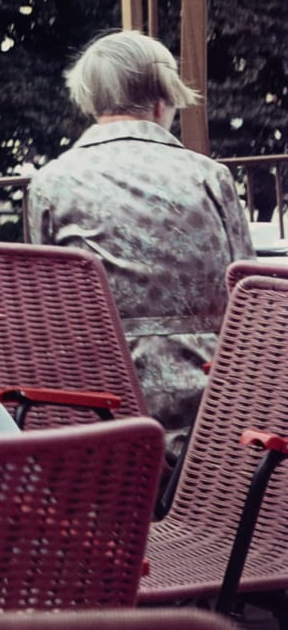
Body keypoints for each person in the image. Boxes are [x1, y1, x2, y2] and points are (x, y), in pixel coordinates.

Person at [27, 30, 254, 455]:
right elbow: (247, 294)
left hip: (99, 408)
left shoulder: (51, 183)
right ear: (161, 99)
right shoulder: (208, 176)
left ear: (92, 99)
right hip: (211, 411)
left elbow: (52, 304)